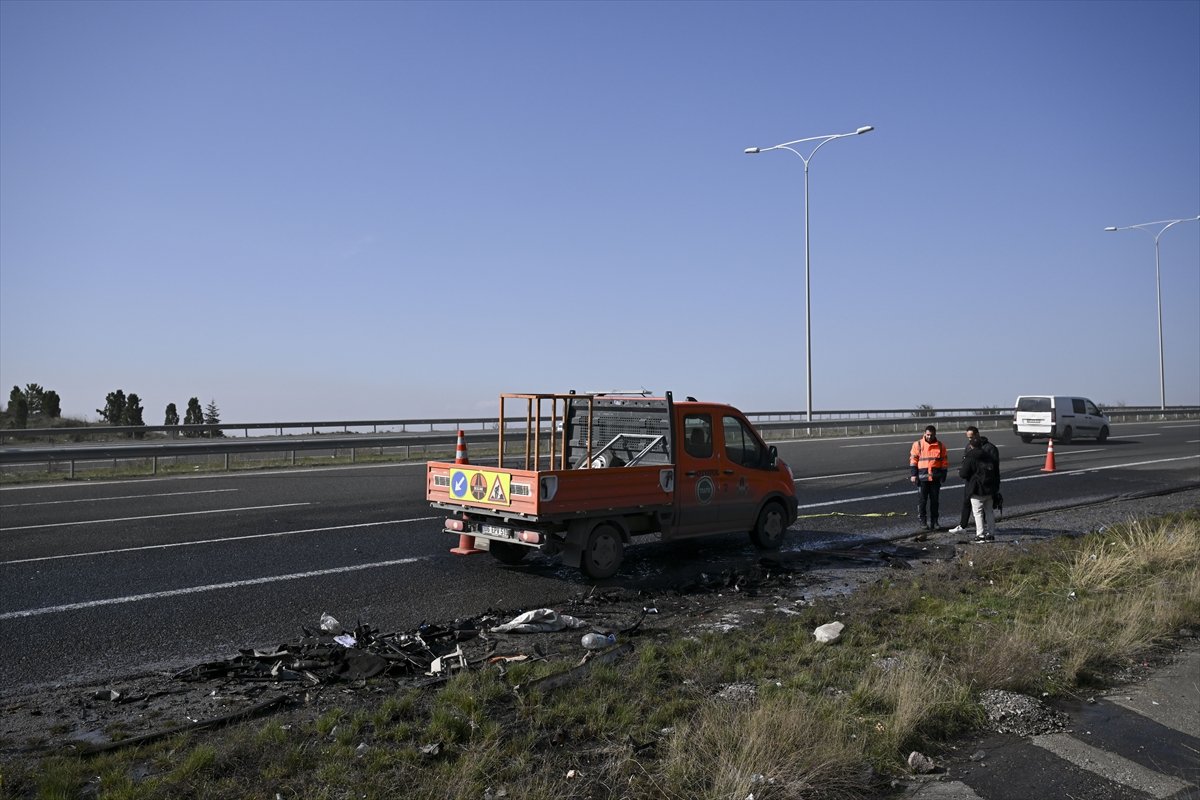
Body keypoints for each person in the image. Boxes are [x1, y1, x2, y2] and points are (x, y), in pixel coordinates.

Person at [958, 426, 1001, 542]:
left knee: (978, 513)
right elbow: (996, 471)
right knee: (989, 512)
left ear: (972, 445)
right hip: (989, 489)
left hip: (976, 489)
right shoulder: (989, 454)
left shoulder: (970, 456)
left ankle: (980, 535)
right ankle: (991, 534)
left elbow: (963, 474)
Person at [909, 425, 948, 530]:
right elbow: (913, 461)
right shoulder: (918, 444)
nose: (929, 437)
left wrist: (944, 475)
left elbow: (944, 462)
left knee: (935, 501)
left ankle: (934, 522)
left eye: (931, 435)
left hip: (935, 478)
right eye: (928, 435)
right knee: (922, 501)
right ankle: (923, 521)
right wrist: (913, 475)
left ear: (935, 434)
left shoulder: (940, 446)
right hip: (922, 479)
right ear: (924, 434)